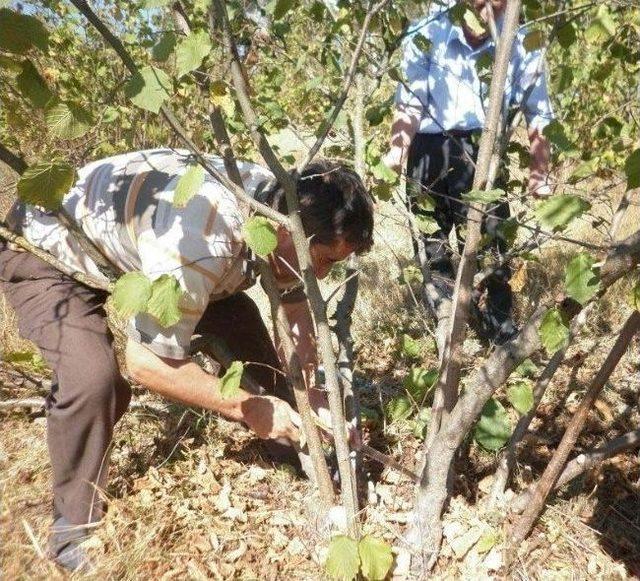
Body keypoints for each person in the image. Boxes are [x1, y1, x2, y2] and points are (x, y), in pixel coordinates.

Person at [0, 148, 374, 571]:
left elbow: (295, 309)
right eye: (322, 260)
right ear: (286, 229)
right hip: (46, 247)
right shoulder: (203, 237)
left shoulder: (277, 204)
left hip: (132, 249)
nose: (321, 274)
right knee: (92, 377)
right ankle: (72, 527)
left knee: (238, 317)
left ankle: (295, 441)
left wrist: (315, 399)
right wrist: (247, 406)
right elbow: (146, 364)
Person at [385, 0, 554, 342]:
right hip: (428, 151)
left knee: (492, 245)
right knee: (432, 247)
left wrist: (540, 169)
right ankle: (450, 328)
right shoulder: (428, 30)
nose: (489, 5)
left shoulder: (523, 41)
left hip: (485, 153)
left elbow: (539, 112)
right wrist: (396, 153)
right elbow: (411, 100)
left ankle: (499, 332)